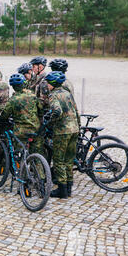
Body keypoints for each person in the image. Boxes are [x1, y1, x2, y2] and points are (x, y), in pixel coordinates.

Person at [45, 71, 80, 199]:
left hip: (62, 132)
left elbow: (57, 111)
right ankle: (69, 187)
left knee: (59, 160)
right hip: (74, 129)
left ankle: (62, 190)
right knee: (69, 159)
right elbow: (76, 111)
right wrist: (78, 126)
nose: (47, 85)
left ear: (53, 84)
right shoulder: (67, 93)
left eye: (48, 83)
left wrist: (50, 123)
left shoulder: (53, 95)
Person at [0, 74, 44, 155]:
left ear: (13, 87)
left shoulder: (13, 100)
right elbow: (41, 111)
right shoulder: (33, 96)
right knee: (37, 155)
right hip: (35, 129)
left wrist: (0, 119)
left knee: (19, 154)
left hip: (21, 132)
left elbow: (5, 115)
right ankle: (37, 166)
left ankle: (20, 165)